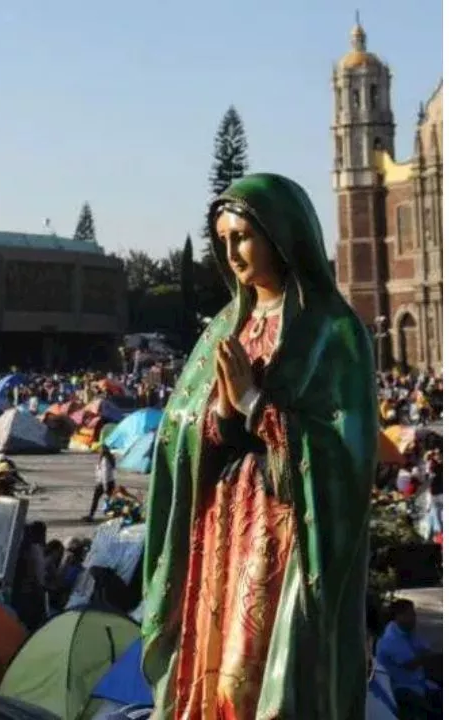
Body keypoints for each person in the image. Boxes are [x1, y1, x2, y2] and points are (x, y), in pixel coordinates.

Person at [141, 174, 379, 718]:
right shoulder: (227, 325)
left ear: (282, 234)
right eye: (223, 240)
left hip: (284, 538)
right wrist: (221, 416)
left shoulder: (332, 329)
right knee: (212, 666)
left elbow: (346, 450)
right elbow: (181, 429)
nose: (232, 252)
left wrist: (254, 404)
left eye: (243, 236)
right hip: (220, 528)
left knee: (253, 681)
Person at [375, 599, 441, 717]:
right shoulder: (391, 639)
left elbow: (425, 649)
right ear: (398, 616)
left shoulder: (407, 631)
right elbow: (410, 664)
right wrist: (432, 657)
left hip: (419, 683)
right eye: (410, 614)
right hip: (402, 689)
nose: (414, 618)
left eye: (414, 614)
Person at [86, 445, 116, 522]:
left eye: (100, 450)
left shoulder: (104, 460)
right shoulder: (110, 458)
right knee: (110, 500)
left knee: (96, 499)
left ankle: (91, 515)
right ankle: (113, 515)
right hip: (110, 482)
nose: (99, 451)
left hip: (103, 483)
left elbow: (104, 473)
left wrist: (105, 486)